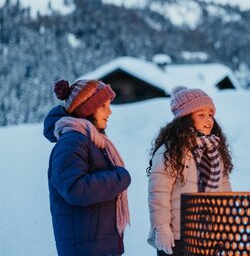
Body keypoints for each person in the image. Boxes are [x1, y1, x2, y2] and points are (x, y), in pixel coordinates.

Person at [43, 79, 131, 256]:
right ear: (87, 108)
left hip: (96, 244)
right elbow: (74, 188)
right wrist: (119, 178)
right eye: (103, 105)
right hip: (86, 247)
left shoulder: (91, 140)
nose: (110, 111)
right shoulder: (72, 141)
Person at [147, 87, 233, 256]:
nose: (208, 120)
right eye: (201, 115)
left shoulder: (215, 152)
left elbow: (225, 192)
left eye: (210, 115)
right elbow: (159, 193)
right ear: (185, 119)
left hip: (209, 234)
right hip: (178, 236)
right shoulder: (171, 150)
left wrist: (227, 225)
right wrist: (162, 228)